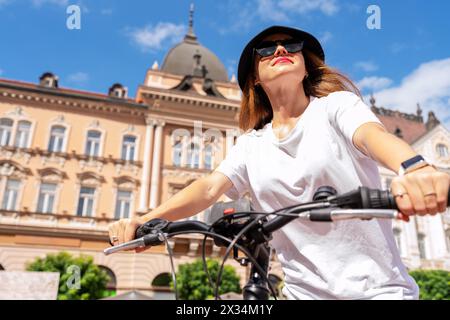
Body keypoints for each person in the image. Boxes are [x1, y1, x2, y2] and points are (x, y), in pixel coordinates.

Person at [108, 26, 450, 300]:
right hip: (302, 294)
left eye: (291, 45)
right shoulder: (252, 144)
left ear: (305, 65)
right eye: (267, 50)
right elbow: (209, 187)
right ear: (254, 77)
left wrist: (416, 167)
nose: (281, 51)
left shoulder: (335, 108)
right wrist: (147, 220)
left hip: (379, 291)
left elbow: (372, 136)